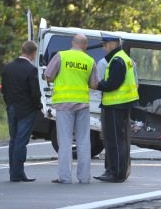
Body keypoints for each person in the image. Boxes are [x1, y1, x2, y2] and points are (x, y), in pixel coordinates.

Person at [44, 34, 97, 184]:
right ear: (85, 46)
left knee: (65, 141)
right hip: (82, 104)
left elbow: (48, 76)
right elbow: (94, 84)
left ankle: (65, 177)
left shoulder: (61, 56)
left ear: (72, 43)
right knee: (83, 141)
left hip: (64, 103)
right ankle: (84, 177)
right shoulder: (89, 60)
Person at [93, 33, 139, 183]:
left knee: (114, 140)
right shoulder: (122, 58)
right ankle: (119, 170)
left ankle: (116, 173)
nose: (103, 47)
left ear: (113, 44)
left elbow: (113, 84)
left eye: (105, 44)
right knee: (120, 140)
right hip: (121, 104)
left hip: (115, 105)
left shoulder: (117, 60)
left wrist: (97, 85)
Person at [1, 40, 42, 182]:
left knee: (13, 140)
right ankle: (18, 173)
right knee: (21, 141)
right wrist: (38, 106)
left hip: (12, 107)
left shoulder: (8, 68)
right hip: (27, 109)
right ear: (34, 53)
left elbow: (4, 90)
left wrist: (9, 103)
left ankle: (13, 172)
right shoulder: (31, 70)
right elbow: (35, 92)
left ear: (22, 50)